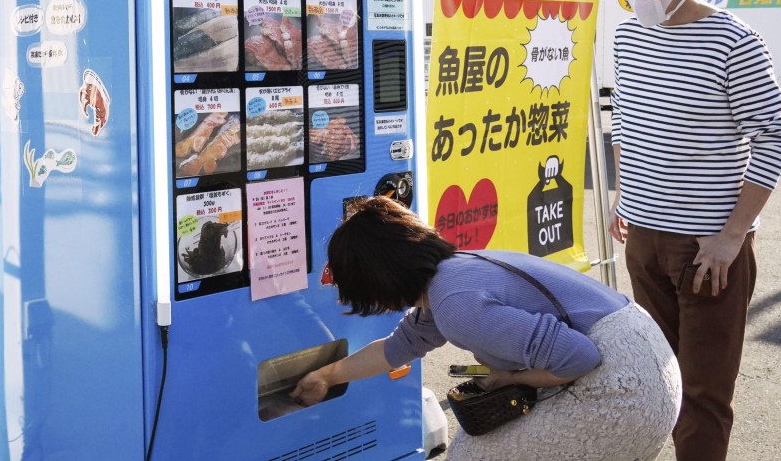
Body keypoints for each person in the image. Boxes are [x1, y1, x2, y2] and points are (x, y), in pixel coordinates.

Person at [292, 196, 682, 461]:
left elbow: (579, 357)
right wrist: (327, 376)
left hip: (626, 388)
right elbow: (399, 346)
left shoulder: (454, 305)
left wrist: (505, 378)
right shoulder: (450, 275)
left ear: (378, 280)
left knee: (474, 455)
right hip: (645, 356)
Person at [608, 0, 781, 461]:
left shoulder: (733, 40)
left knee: (705, 392)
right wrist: (624, 196)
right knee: (660, 377)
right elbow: (629, 120)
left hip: (707, 246)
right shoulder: (627, 35)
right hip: (642, 237)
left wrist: (732, 237)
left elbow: (775, 139)